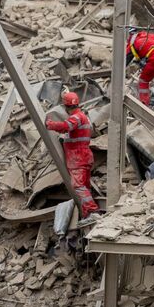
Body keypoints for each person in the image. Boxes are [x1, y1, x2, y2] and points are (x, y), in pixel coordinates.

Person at [44, 90, 101, 220]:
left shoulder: (76, 117)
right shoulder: (83, 116)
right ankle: (88, 213)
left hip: (78, 157)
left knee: (78, 186)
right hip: (84, 155)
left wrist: (50, 125)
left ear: (65, 106)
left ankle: (93, 211)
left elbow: (66, 126)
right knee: (84, 186)